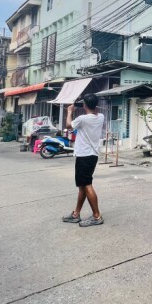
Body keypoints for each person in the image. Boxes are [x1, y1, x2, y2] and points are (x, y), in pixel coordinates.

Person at [62, 94, 105, 227]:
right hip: (92, 155)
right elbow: (93, 112)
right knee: (82, 186)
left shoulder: (82, 119)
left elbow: (69, 125)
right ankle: (76, 214)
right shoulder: (101, 117)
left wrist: (69, 112)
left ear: (85, 105)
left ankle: (97, 216)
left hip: (84, 156)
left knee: (87, 185)